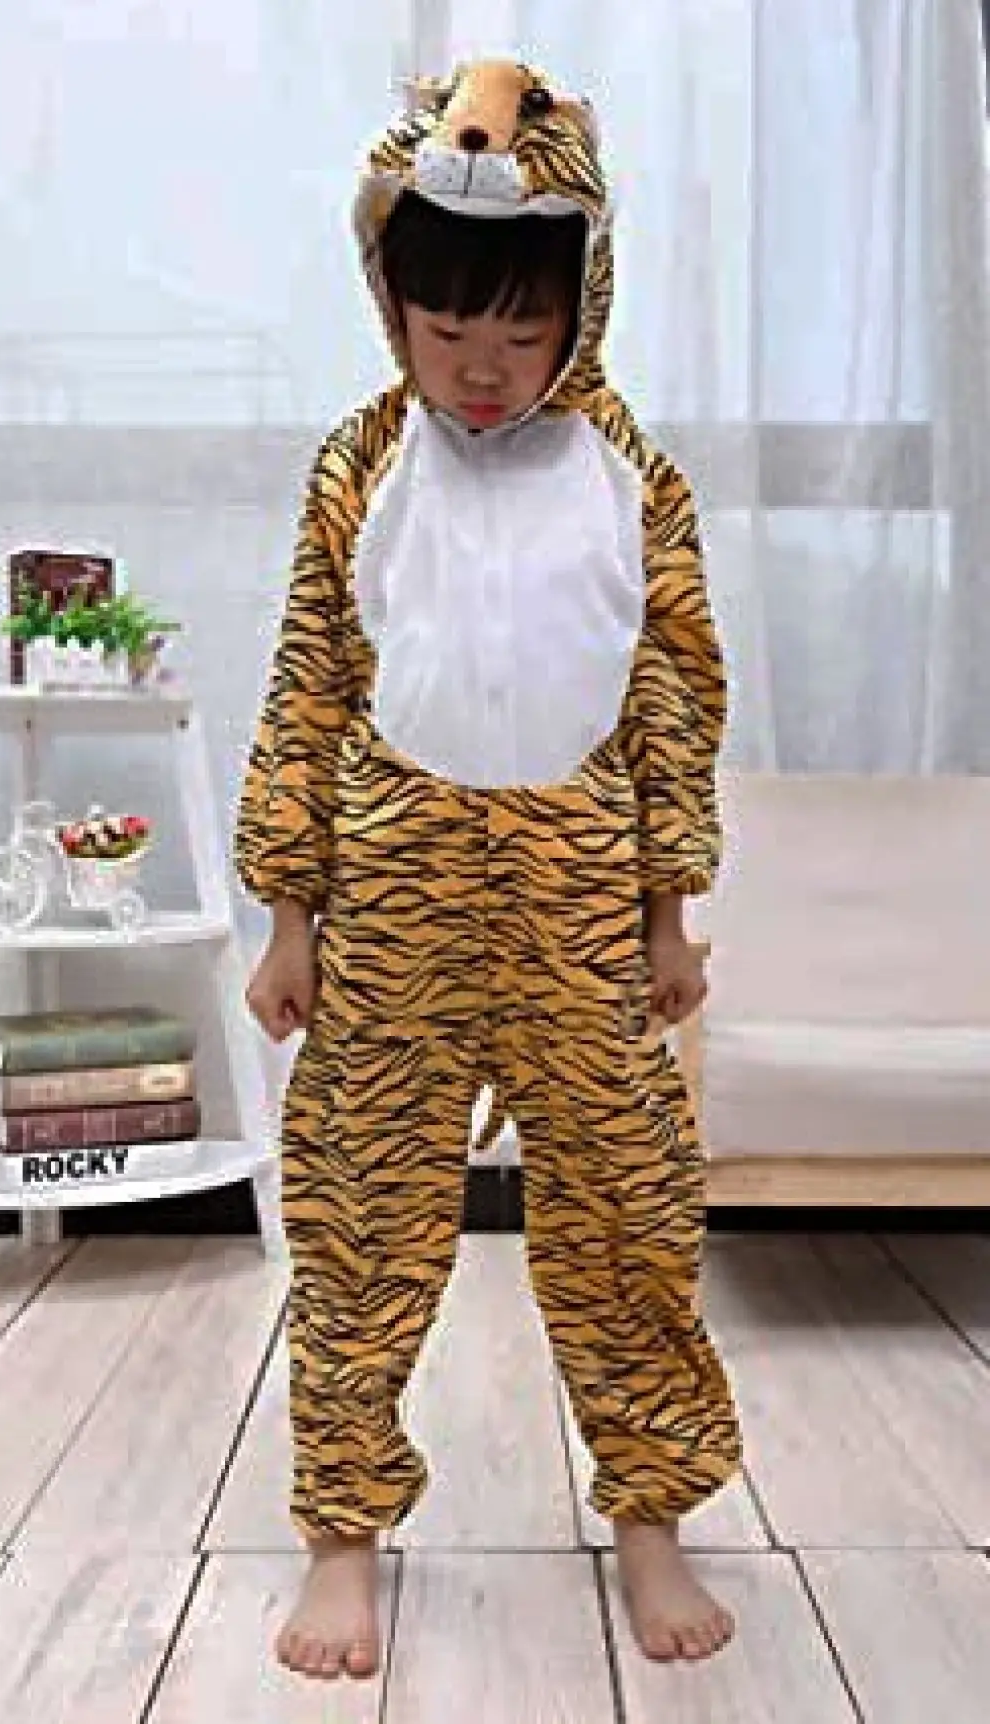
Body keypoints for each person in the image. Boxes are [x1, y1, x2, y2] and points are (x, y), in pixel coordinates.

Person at [234, 57, 742, 1683]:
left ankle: (649, 1513)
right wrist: (289, 916)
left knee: (629, 1210)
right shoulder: (361, 461)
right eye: (444, 330)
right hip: (394, 887)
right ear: (389, 306)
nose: (478, 369)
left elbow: (673, 697)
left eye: (519, 338)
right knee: (358, 1213)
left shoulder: (630, 472)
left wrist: (670, 911)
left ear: (582, 308)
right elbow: (309, 685)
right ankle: (343, 1533)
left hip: (580, 892)